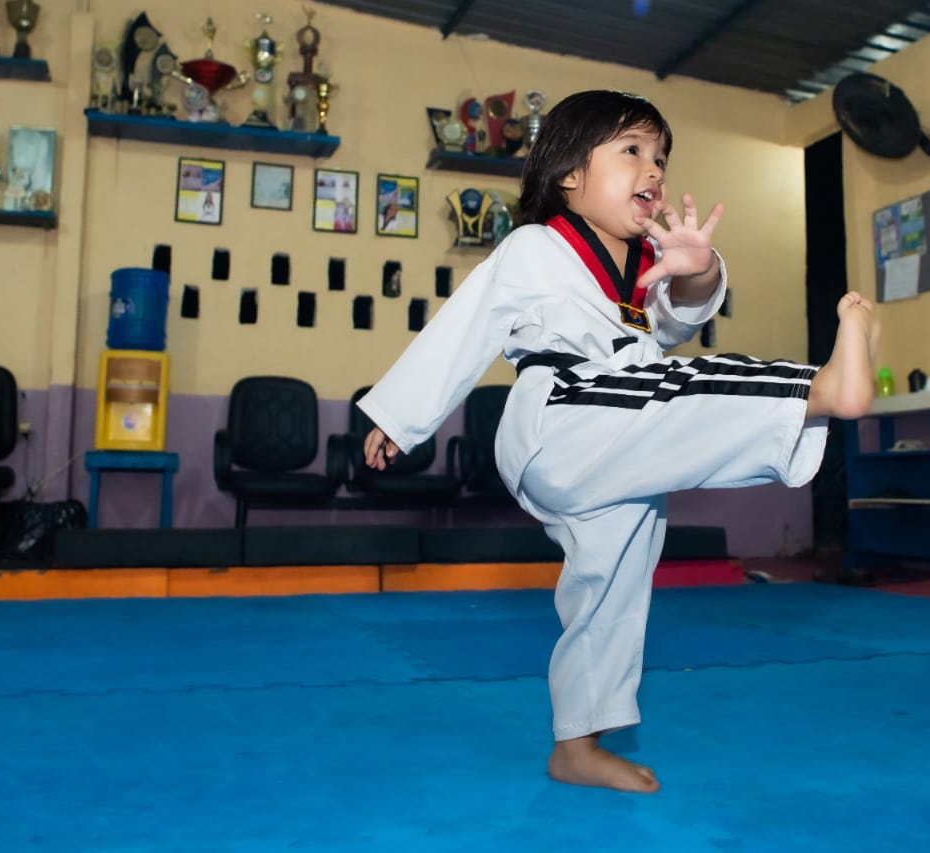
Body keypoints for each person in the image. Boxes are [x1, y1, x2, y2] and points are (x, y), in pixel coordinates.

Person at [359, 90, 876, 793]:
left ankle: (577, 743)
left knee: (613, 584)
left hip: (618, 441)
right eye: (631, 150)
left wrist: (697, 269)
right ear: (571, 173)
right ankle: (817, 389)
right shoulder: (534, 247)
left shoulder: (642, 264)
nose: (652, 168)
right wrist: (400, 416)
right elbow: (466, 325)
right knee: (685, 387)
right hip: (561, 415)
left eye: (660, 157)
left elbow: (676, 321)